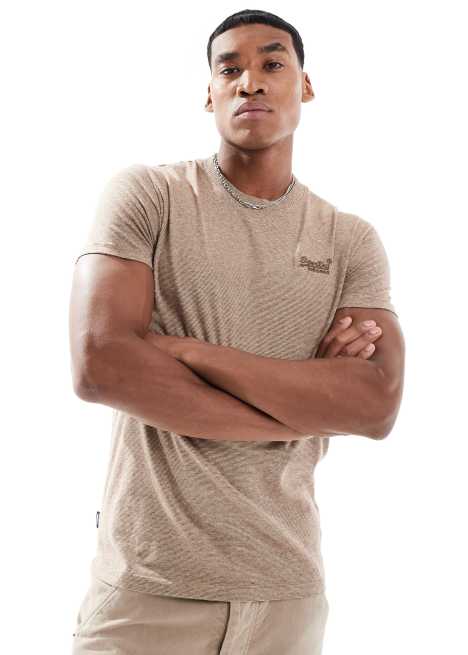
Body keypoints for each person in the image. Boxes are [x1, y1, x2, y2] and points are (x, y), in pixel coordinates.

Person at [68, 8, 405, 655]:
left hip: (287, 597)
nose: (250, 81)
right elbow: (100, 365)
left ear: (305, 85)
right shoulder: (149, 195)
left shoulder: (348, 240)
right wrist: (302, 407)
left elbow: (374, 405)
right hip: (148, 592)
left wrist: (188, 351)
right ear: (209, 92)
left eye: (272, 63)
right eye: (230, 69)